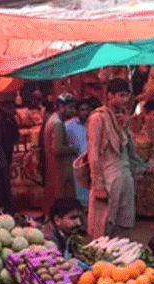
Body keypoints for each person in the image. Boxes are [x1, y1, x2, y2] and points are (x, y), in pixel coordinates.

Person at [87, 78, 140, 238]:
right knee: (103, 223)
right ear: (109, 95)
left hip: (124, 175)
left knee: (124, 224)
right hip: (108, 176)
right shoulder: (98, 117)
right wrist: (98, 184)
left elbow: (131, 150)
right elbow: (93, 153)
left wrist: (127, 126)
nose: (124, 100)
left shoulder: (122, 117)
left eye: (126, 97)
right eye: (121, 95)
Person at [41, 93, 78, 217]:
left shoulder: (53, 120)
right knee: (61, 202)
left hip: (55, 168)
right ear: (61, 107)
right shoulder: (57, 123)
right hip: (60, 168)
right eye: (70, 107)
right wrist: (72, 149)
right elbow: (57, 149)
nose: (73, 111)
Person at [65, 97, 95, 208]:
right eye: (82, 110)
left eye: (87, 110)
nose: (85, 112)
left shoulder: (94, 123)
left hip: (93, 161)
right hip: (78, 164)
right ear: (77, 111)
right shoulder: (69, 126)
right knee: (80, 190)